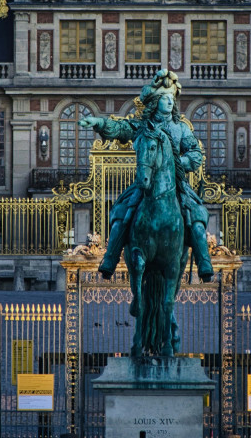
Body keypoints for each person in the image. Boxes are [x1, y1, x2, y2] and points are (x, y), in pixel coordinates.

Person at [79, 69, 214, 282]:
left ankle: (204, 261)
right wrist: (99, 123)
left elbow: (196, 154)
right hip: (144, 183)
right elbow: (120, 128)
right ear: (155, 102)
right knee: (121, 215)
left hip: (176, 184)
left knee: (196, 217)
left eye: (172, 98)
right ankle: (110, 258)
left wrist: (179, 163)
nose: (170, 102)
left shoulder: (181, 129)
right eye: (165, 98)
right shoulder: (143, 126)